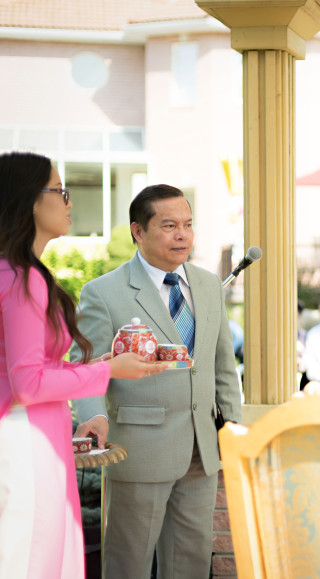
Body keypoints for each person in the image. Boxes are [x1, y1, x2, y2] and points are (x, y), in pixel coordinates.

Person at [0, 152, 159, 579]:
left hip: (30, 439)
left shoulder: (13, 274)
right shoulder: (21, 278)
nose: (69, 202)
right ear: (31, 200)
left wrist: (102, 365)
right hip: (27, 444)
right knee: (32, 560)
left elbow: (29, 370)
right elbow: (29, 384)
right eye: (60, 190)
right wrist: (110, 371)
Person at [71, 184, 242, 578]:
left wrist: (231, 428)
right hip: (139, 451)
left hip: (202, 449)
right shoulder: (102, 293)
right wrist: (94, 417)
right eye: (168, 225)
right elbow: (86, 367)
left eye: (187, 224)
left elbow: (221, 366)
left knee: (191, 565)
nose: (182, 234)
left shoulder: (207, 284)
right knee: (127, 565)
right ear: (138, 231)